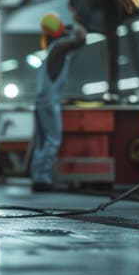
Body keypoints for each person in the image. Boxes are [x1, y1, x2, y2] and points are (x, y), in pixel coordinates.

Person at [30, 12, 87, 192]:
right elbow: (81, 40)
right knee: (53, 139)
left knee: (42, 141)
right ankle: (41, 177)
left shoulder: (52, 49)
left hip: (41, 101)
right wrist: (78, 25)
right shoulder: (60, 47)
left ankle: (37, 175)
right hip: (48, 102)